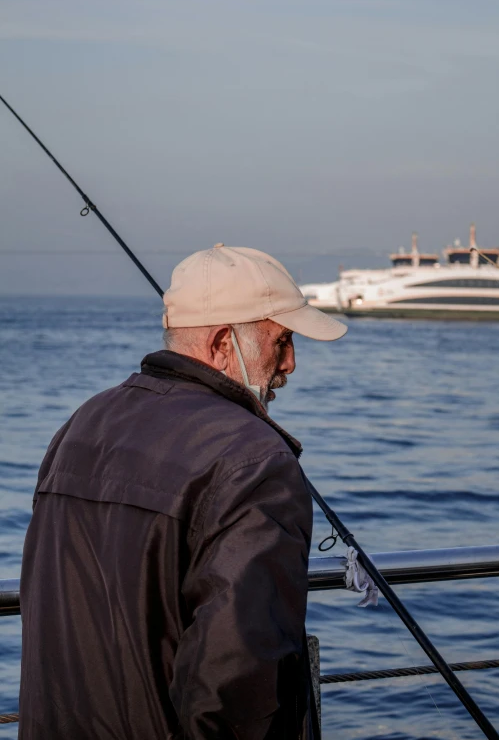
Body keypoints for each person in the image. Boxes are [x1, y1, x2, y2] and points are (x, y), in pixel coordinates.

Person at [18, 244, 347, 740]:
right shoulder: (255, 460)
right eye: (282, 342)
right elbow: (236, 684)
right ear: (221, 344)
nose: (291, 363)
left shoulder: (82, 424)